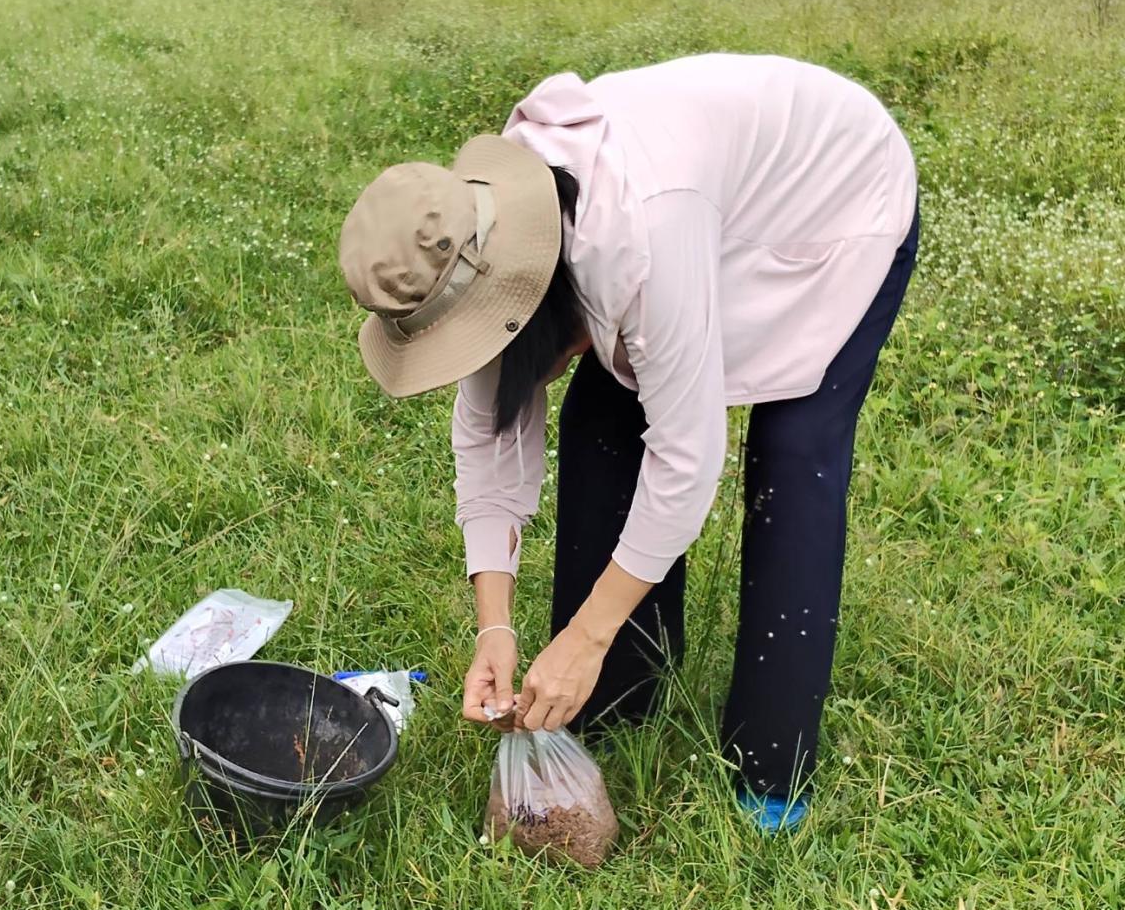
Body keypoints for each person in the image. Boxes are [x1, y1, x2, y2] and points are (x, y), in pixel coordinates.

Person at [337, 53, 919, 832]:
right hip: (699, 215)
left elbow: (687, 459)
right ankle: (619, 697)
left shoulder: (639, 236)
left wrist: (586, 634)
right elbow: (487, 434)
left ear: (524, 298)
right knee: (602, 422)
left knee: (793, 454)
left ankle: (771, 768)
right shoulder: (485, 236)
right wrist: (494, 625)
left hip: (835, 200)